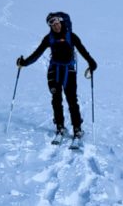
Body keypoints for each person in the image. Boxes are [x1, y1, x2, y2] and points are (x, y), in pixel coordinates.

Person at [16, 11, 97, 140]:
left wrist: (91, 62)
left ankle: (77, 128)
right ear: (50, 26)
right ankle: (60, 126)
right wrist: (24, 62)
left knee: (72, 100)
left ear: (61, 22)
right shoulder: (49, 38)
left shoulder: (71, 36)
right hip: (54, 71)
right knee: (56, 100)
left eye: (57, 23)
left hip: (69, 71)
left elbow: (83, 50)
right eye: (52, 24)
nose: (56, 26)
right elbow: (37, 54)